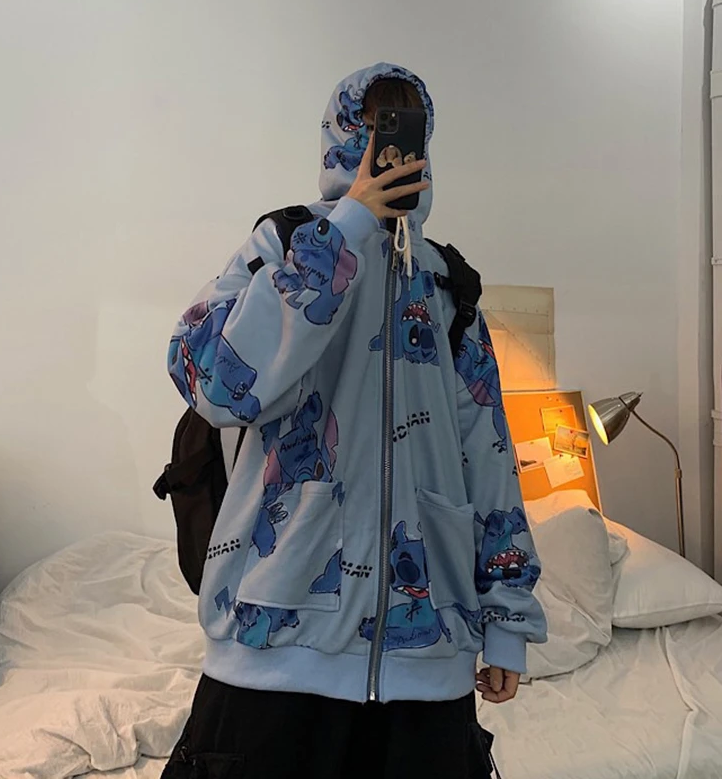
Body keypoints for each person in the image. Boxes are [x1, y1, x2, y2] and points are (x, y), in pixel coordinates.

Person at [163, 63, 547, 779]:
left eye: (402, 130)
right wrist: (346, 228)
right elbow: (210, 379)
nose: (386, 147)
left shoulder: (450, 287)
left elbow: (490, 456)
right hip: (270, 646)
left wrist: (506, 616)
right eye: (371, 129)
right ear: (343, 138)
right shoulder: (284, 245)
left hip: (426, 652)